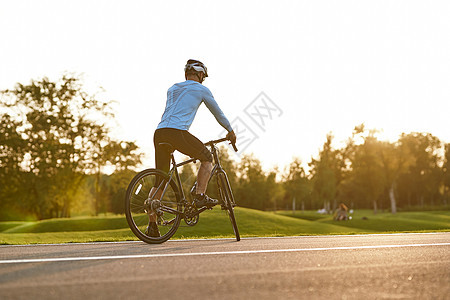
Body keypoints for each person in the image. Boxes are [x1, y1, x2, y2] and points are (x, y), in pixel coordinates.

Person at [146, 59, 236, 237]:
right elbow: (218, 113)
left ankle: (152, 225)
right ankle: (200, 195)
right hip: (176, 132)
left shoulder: (172, 88)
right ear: (200, 74)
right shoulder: (202, 89)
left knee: (161, 179)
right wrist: (230, 131)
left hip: (159, 132)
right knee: (207, 157)